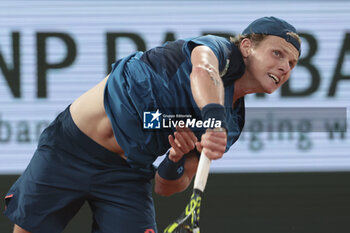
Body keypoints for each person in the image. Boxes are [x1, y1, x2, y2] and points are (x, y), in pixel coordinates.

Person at [3, 16, 301, 233]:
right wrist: (213, 119)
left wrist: (173, 159)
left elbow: (166, 186)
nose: (284, 67)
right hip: (70, 149)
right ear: (247, 46)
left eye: (292, 63)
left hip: (127, 174)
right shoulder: (218, 51)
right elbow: (203, 70)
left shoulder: (232, 124)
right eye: (278, 53)